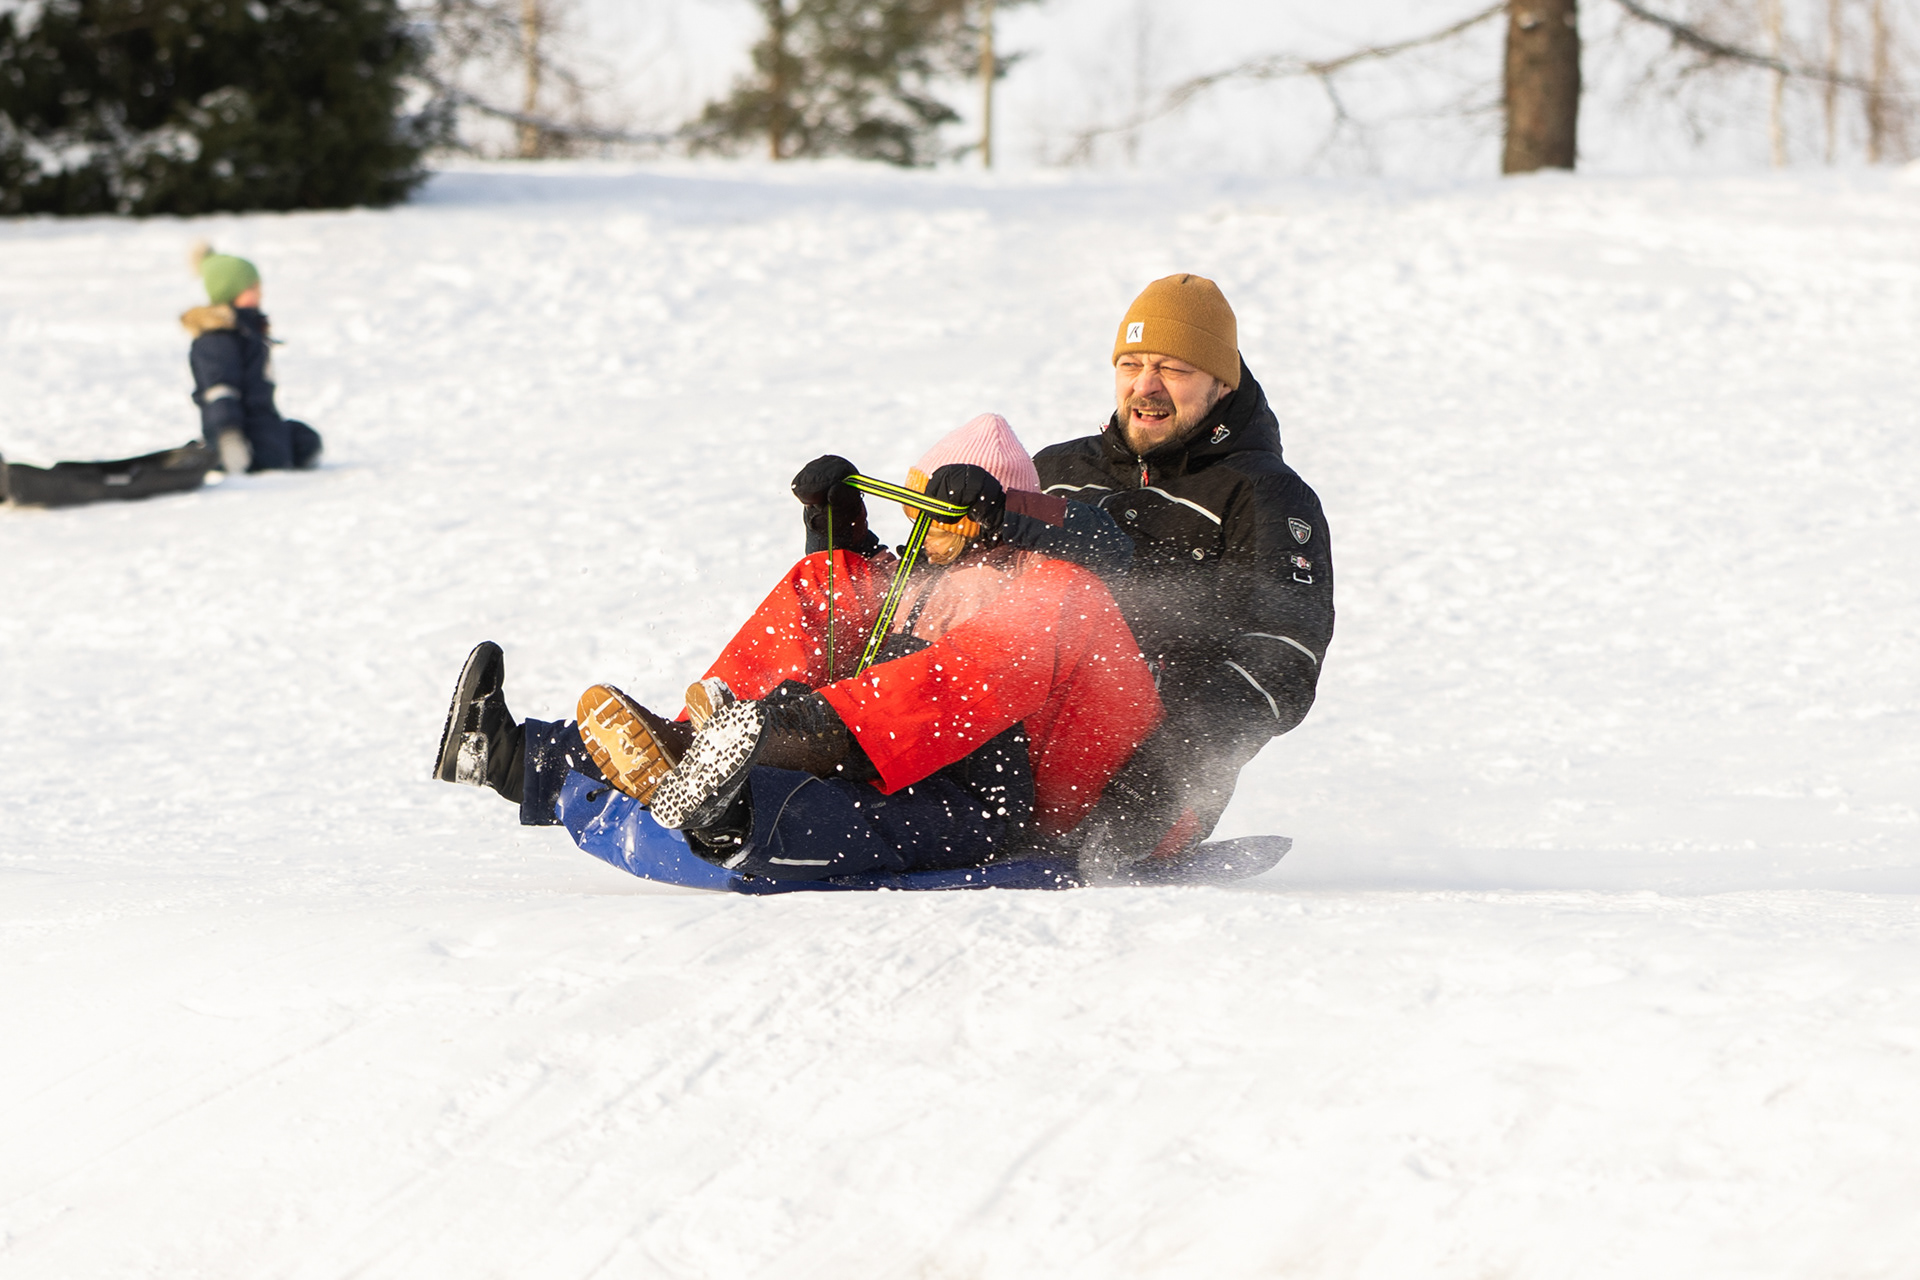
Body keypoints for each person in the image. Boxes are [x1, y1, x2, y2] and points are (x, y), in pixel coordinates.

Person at [433, 414, 1171, 882]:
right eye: (913, 510)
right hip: (884, 745)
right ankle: (520, 754)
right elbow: (851, 624)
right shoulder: (923, 577)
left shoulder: (1057, 590)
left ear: (989, 517)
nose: (919, 531)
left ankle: (735, 795)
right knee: (832, 589)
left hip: (998, 799)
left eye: (936, 516)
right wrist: (836, 541)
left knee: (867, 815)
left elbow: (1095, 558)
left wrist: (816, 724)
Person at [1030, 274, 1336, 844]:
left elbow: (1283, 656)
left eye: (1172, 368)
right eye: (1131, 365)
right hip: (1008, 726)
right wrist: (840, 535)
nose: (1146, 386)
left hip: (1153, 783)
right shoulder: (1057, 471)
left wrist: (1166, 777)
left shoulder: (1261, 493)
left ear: (1222, 383)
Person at [181, 243, 323, 475]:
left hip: (264, 423)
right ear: (229, 292)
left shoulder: (248, 331)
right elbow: (220, 389)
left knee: (304, 439)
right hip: (242, 431)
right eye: (252, 288)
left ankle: (275, 452)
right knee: (264, 455)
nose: (259, 293)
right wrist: (229, 437)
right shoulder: (218, 338)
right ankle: (216, 454)